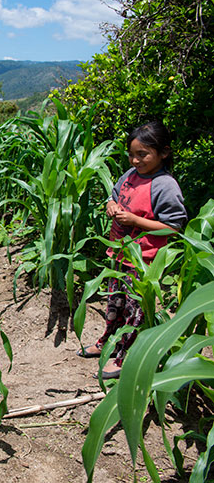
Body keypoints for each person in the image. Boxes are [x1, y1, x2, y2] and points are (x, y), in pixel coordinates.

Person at [77, 121, 187, 379]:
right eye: (131, 154)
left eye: (143, 154)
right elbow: (113, 196)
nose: (136, 160)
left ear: (164, 153)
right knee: (114, 304)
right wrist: (111, 206)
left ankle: (125, 356)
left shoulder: (164, 185)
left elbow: (173, 227)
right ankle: (108, 341)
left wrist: (136, 221)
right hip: (119, 254)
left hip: (144, 260)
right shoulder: (129, 176)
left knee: (133, 311)